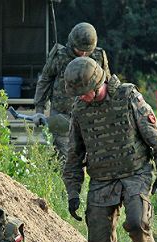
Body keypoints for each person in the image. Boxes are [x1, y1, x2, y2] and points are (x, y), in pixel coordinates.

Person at [62, 57, 157, 242]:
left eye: (84, 93)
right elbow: (73, 155)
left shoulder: (127, 97)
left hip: (135, 173)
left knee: (136, 222)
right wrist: (73, 192)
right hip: (102, 180)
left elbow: (155, 134)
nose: (81, 97)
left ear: (97, 85)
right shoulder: (80, 110)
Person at [33, 22, 111, 161]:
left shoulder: (99, 56)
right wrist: (39, 109)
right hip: (62, 114)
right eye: (80, 50)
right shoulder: (59, 56)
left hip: (91, 113)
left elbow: (107, 83)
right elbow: (45, 80)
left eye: (87, 51)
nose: (84, 54)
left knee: (95, 156)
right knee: (65, 158)